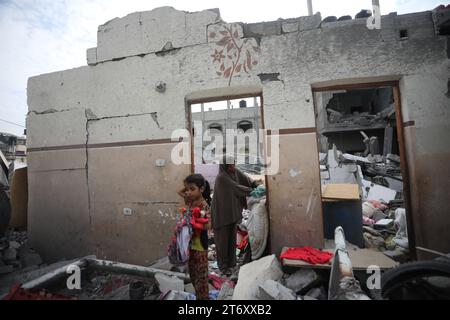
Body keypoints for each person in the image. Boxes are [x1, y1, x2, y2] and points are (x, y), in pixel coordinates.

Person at [211, 157, 258, 276]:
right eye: (231, 166)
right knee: (222, 242)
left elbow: (245, 178)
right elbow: (235, 187)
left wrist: (255, 184)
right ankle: (223, 267)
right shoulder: (222, 177)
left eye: (234, 164)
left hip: (231, 214)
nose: (233, 167)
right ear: (225, 167)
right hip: (221, 215)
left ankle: (231, 264)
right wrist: (252, 191)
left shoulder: (234, 172)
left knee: (231, 240)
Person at [177, 174, 211, 300]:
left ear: (201, 189)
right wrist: (188, 186)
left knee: (201, 281)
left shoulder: (203, 205)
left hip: (200, 248)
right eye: (187, 189)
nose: (188, 192)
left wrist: (193, 223)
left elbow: (208, 225)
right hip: (190, 246)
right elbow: (179, 191)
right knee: (193, 276)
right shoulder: (190, 201)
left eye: (192, 189)